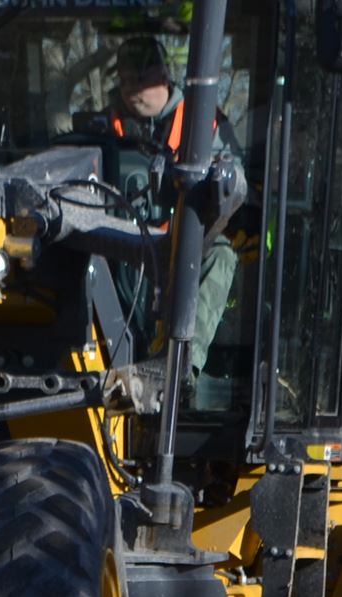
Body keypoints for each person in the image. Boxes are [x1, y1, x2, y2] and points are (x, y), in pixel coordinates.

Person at [102, 37, 240, 366]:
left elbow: (233, 188)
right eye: (123, 81)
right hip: (114, 240)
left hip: (179, 245)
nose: (130, 89)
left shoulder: (206, 123)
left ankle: (180, 368)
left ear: (163, 76)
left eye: (139, 79)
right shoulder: (104, 125)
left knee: (219, 254)